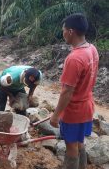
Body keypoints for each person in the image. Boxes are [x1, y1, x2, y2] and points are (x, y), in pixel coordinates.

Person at [50, 13, 99, 169]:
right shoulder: (92, 49)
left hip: (74, 110)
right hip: (87, 106)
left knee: (71, 147)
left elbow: (67, 92)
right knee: (79, 142)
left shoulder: (74, 58)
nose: (62, 33)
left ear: (70, 31)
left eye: (63, 30)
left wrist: (56, 115)